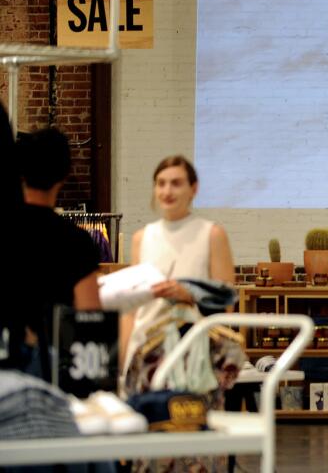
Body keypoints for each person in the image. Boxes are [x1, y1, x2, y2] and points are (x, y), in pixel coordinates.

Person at [119, 155, 235, 376]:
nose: (167, 191)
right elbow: (132, 311)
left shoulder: (212, 234)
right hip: (146, 351)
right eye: (161, 183)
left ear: (194, 188)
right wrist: (122, 365)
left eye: (176, 183)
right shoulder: (141, 238)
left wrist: (188, 294)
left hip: (193, 353)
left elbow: (226, 303)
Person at [2, 128, 101, 380]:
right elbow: (89, 318)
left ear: (21, 174)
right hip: (52, 367)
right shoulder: (77, 241)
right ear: (65, 175)